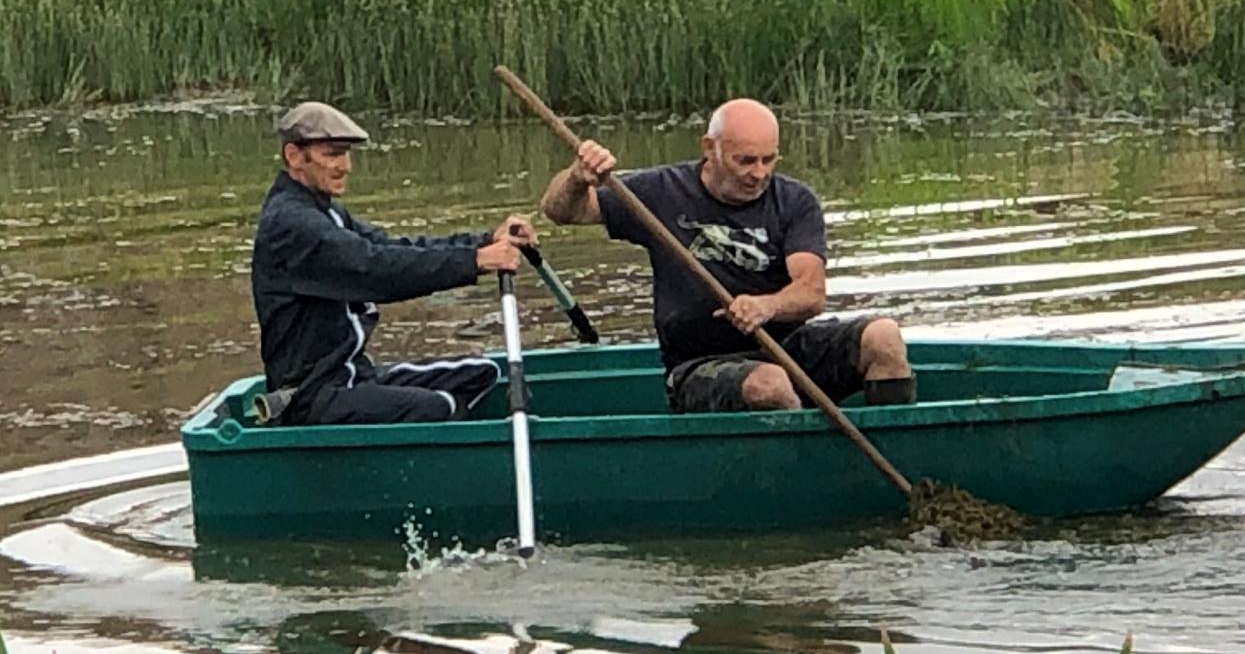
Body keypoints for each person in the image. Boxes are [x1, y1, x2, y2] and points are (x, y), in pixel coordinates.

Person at [540, 98, 915, 414]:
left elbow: (811, 293)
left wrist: (767, 306)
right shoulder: (660, 193)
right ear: (710, 149)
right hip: (699, 366)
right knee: (769, 385)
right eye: (746, 161)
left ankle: (899, 452)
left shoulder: (794, 201)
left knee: (883, 337)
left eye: (769, 160)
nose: (759, 173)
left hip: (786, 346)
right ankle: (796, 472)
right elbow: (561, 211)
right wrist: (577, 178)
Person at [251, 101, 532, 426]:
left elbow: (391, 247)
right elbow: (375, 270)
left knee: (481, 374)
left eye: (346, 153)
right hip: (312, 396)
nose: (346, 166)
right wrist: (474, 262)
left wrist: (484, 241)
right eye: (332, 154)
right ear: (294, 157)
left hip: (354, 376)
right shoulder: (292, 225)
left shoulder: (324, 211)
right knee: (437, 406)